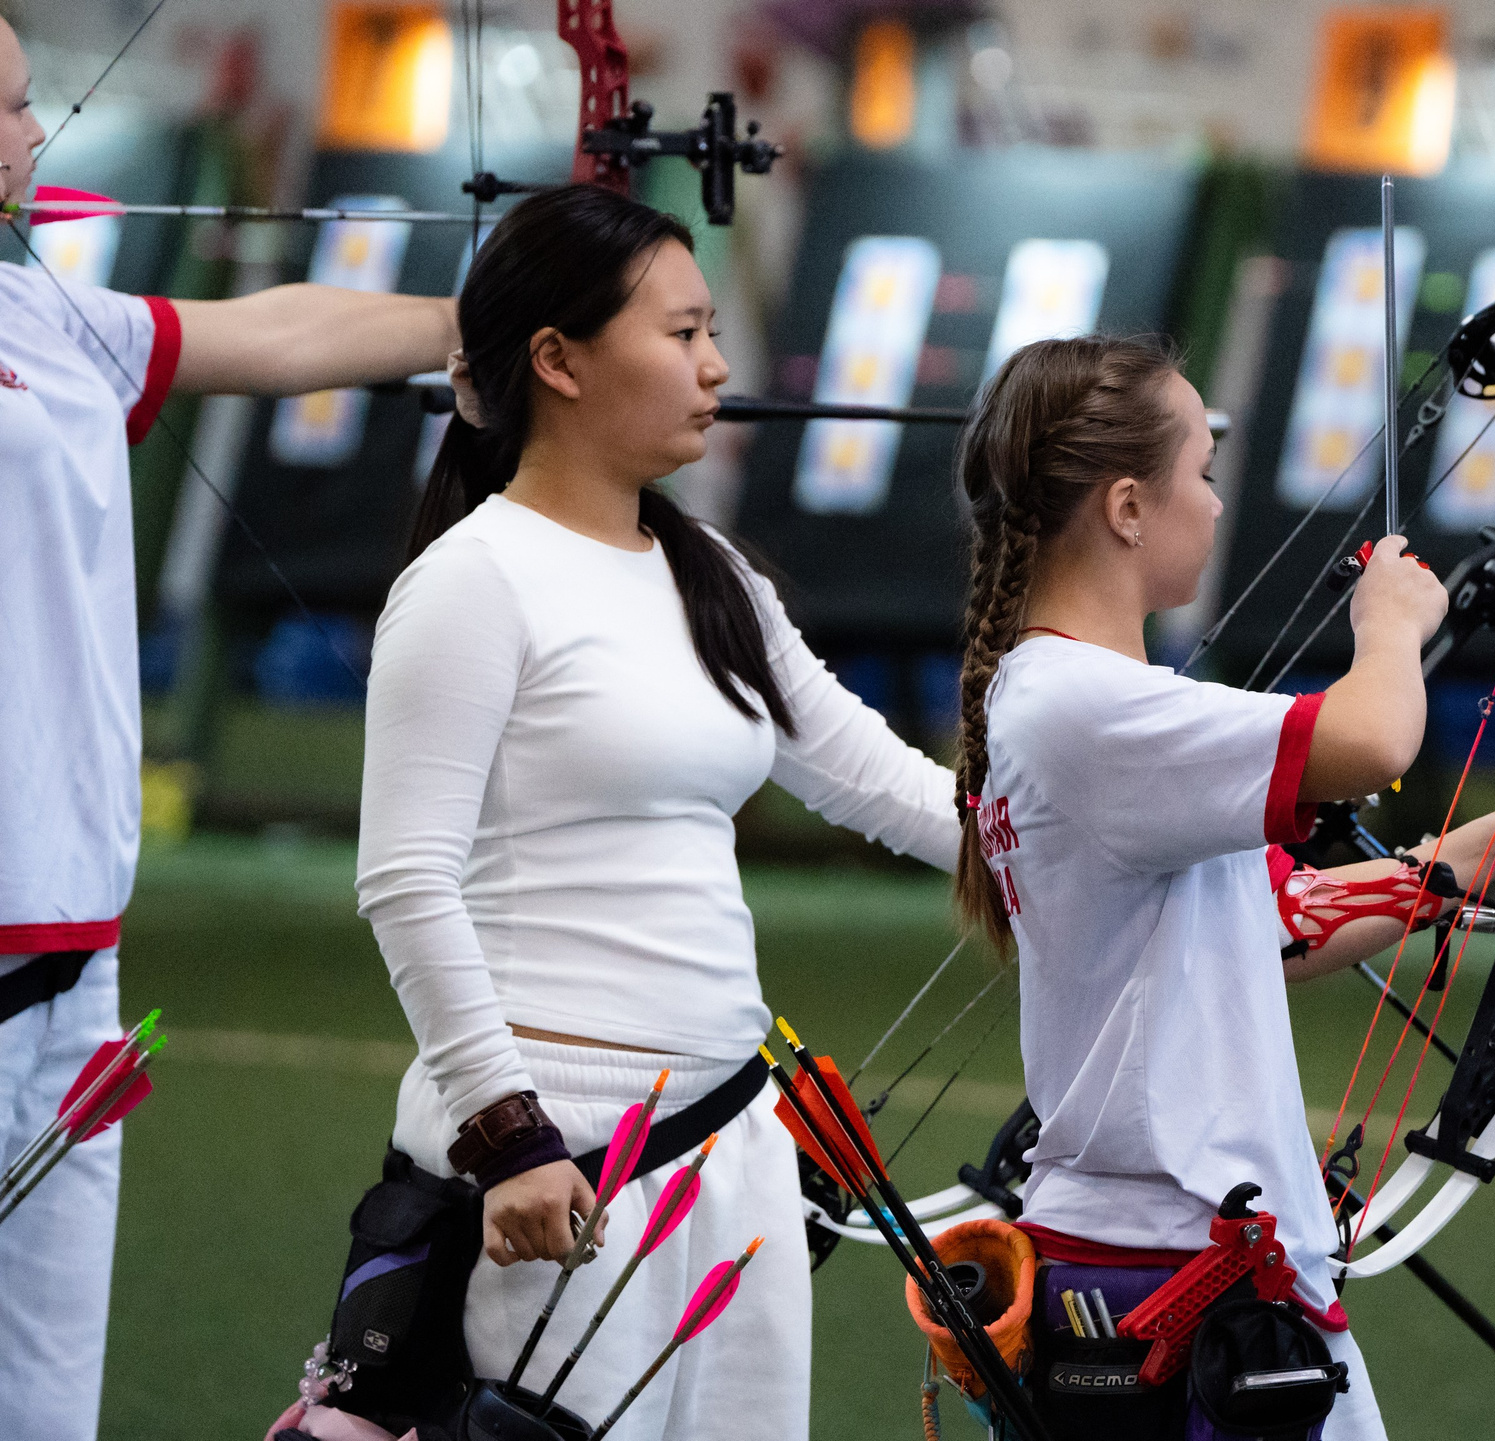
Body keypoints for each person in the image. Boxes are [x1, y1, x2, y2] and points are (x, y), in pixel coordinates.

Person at [355, 185, 957, 1439]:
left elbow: (882, 781)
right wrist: (509, 1136)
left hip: (731, 1139)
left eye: (710, 333)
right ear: (558, 361)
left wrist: (1093, 842)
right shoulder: (471, 581)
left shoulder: (708, 568)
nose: (717, 365)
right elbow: (406, 881)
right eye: (681, 334)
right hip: (550, 1161)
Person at [950, 334, 1495, 1438]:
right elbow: (1374, 736)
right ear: (1127, 506)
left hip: (1205, 1270)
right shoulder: (1082, 702)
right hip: (1168, 1278)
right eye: (1202, 475)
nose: (1215, 505)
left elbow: (1281, 923)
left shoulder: (1084, 702)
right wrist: (1391, 624)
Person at [0, 20, 467, 1439]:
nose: (36, 136)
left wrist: (492, 317)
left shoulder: (43, 312)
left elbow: (271, 335)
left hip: (75, 969)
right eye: (12, 108)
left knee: (45, 1409)